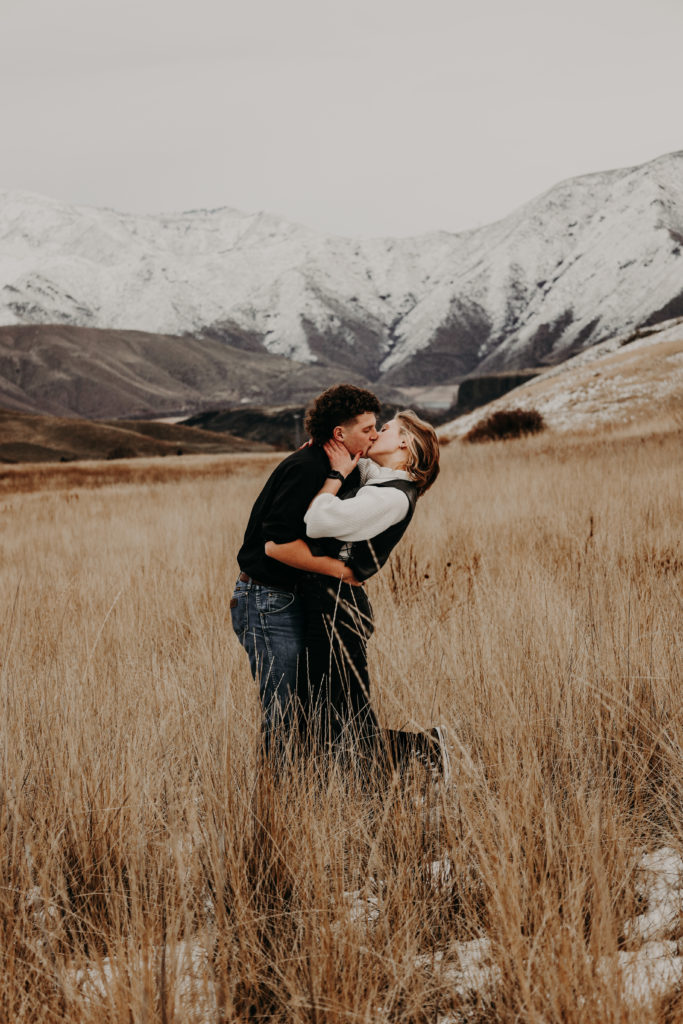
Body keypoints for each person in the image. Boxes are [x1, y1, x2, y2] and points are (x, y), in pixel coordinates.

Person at [265, 410, 450, 779]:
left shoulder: (394, 497)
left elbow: (318, 522)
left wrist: (333, 476)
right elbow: (356, 462)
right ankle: (361, 782)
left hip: (340, 610)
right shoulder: (380, 479)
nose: (374, 434)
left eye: (384, 429)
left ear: (404, 443)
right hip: (327, 603)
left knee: (342, 712)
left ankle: (421, 752)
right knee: (321, 710)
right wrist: (325, 451)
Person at [230, 384, 381, 755]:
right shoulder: (307, 467)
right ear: (339, 434)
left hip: (288, 598)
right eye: (368, 429)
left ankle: (306, 794)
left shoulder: (334, 466)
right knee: (282, 715)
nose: (375, 436)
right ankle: (275, 803)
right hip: (268, 601)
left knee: (305, 710)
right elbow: (277, 545)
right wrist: (339, 569)